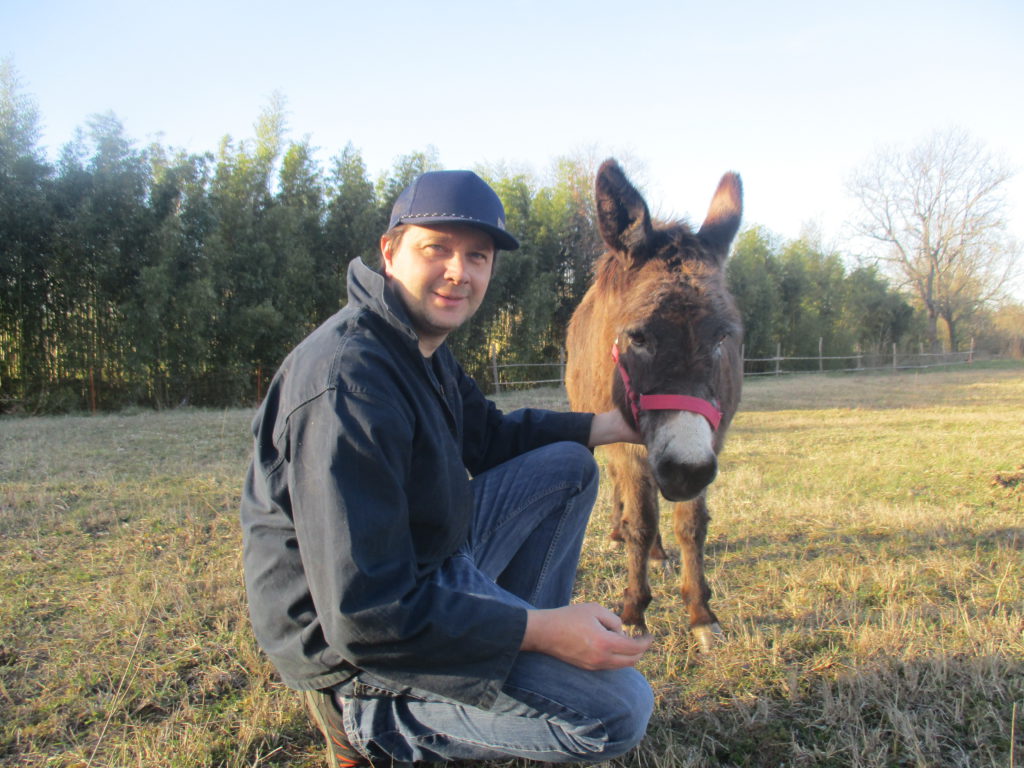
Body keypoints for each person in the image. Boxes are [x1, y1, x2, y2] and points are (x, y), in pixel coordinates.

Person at [240, 169, 654, 767]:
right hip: (358, 655)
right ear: (391, 252)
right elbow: (364, 613)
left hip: (431, 564)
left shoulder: (415, 343)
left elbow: (484, 436)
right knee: (617, 709)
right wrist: (539, 630)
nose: (459, 272)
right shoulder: (348, 384)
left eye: (477, 256)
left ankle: (499, 663)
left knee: (568, 466)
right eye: (437, 249)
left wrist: (608, 426)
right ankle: (363, 730)